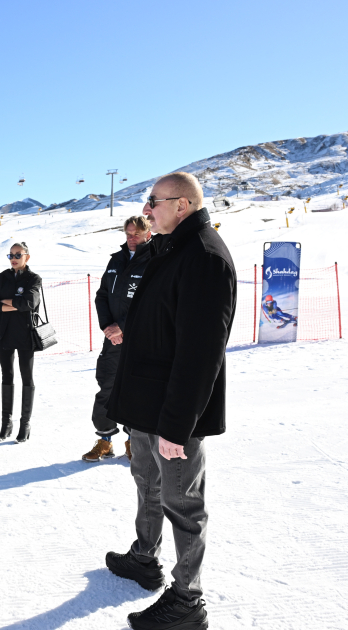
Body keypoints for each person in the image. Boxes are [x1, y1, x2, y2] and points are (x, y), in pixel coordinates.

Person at [105, 172, 236, 630]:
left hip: (173, 412)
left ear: (182, 204)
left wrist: (178, 426)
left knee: (183, 503)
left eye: (153, 202)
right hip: (146, 404)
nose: (146, 210)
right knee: (148, 483)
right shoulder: (170, 248)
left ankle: (187, 599)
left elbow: (201, 354)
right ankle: (144, 556)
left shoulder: (204, 257)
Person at [83, 216, 157, 463]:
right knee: (107, 386)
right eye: (127, 234)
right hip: (112, 339)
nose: (131, 238)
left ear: (148, 233)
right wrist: (108, 327)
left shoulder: (156, 259)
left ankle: (133, 442)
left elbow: (152, 303)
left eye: (136, 234)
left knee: (136, 390)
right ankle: (104, 441)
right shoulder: (116, 260)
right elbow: (102, 295)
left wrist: (122, 327)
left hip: (140, 339)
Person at [0, 242, 41, 443]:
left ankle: (25, 423)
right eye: (10, 255)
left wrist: (6, 303)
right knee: (6, 375)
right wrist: (14, 304)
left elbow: (29, 302)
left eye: (18, 254)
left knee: (27, 376)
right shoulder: (3, 277)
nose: (14, 258)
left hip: (26, 333)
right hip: (4, 333)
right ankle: (6, 423)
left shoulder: (34, 278)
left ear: (27, 256)